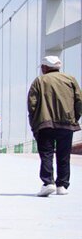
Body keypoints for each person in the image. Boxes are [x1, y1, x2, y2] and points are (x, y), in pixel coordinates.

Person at [27, 55, 82, 196]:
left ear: (45, 67)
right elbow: (79, 101)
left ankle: (48, 183)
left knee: (46, 154)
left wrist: (34, 124)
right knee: (64, 155)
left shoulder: (39, 81)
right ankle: (62, 186)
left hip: (45, 124)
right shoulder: (70, 79)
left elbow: (32, 105)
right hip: (67, 123)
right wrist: (74, 118)